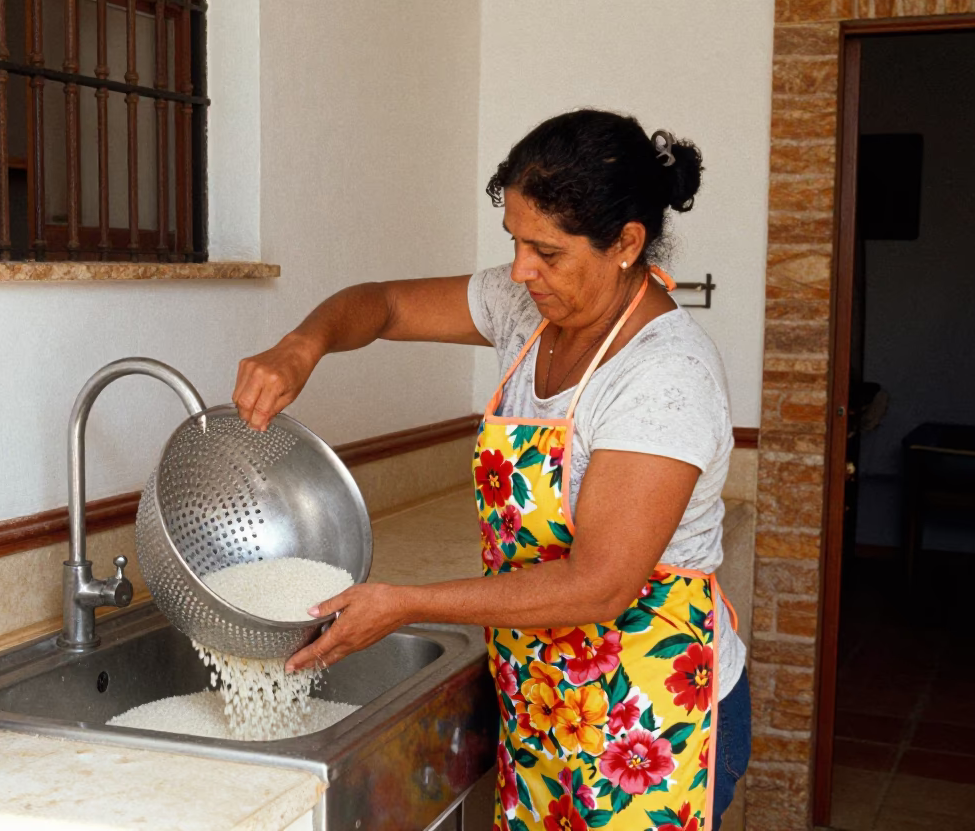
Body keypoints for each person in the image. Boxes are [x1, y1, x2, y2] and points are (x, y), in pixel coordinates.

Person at [232, 109, 751, 831]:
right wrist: (303, 344)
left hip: (650, 712)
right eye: (514, 241)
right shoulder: (527, 308)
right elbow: (380, 305)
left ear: (627, 243)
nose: (519, 270)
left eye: (547, 251)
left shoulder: (665, 376)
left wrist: (407, 603)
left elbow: (600, 584)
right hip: (542, 693)